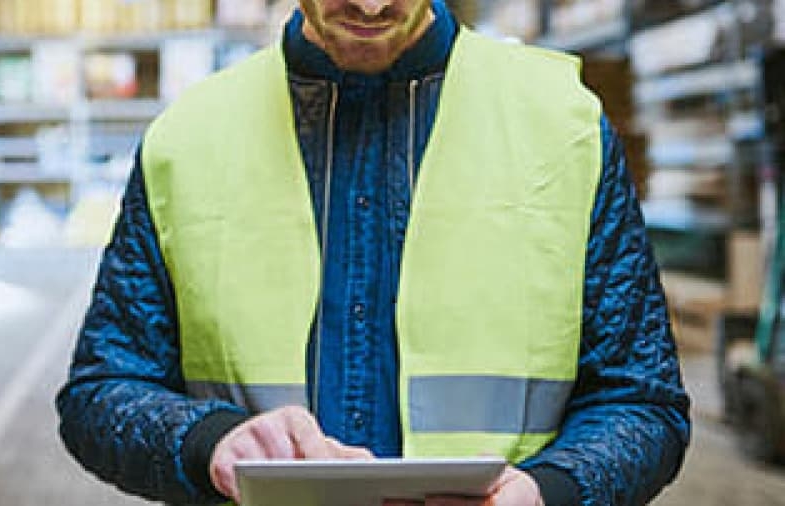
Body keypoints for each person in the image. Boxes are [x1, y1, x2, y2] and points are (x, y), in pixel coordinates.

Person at [55, 1, 691, 505]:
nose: (370, 3)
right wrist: (211, 442)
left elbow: (642, 401)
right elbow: (102, 391)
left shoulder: (565, 126)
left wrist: (545, 491)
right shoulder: (188, 139)